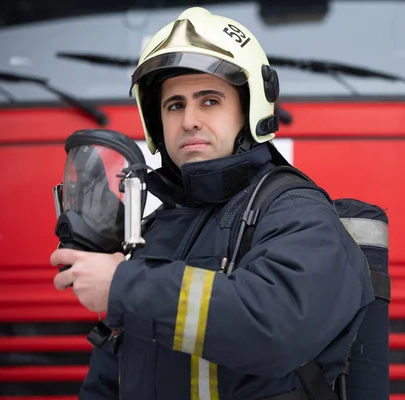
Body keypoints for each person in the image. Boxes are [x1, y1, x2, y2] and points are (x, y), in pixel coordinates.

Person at [51, 6, 374, 400]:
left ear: (249, 110)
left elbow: (271, 328)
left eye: (209, 101)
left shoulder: (296, 213)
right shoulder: (154, 234)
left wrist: (123, 285)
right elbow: (108, 383)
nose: (189, 120)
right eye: (174, 105)